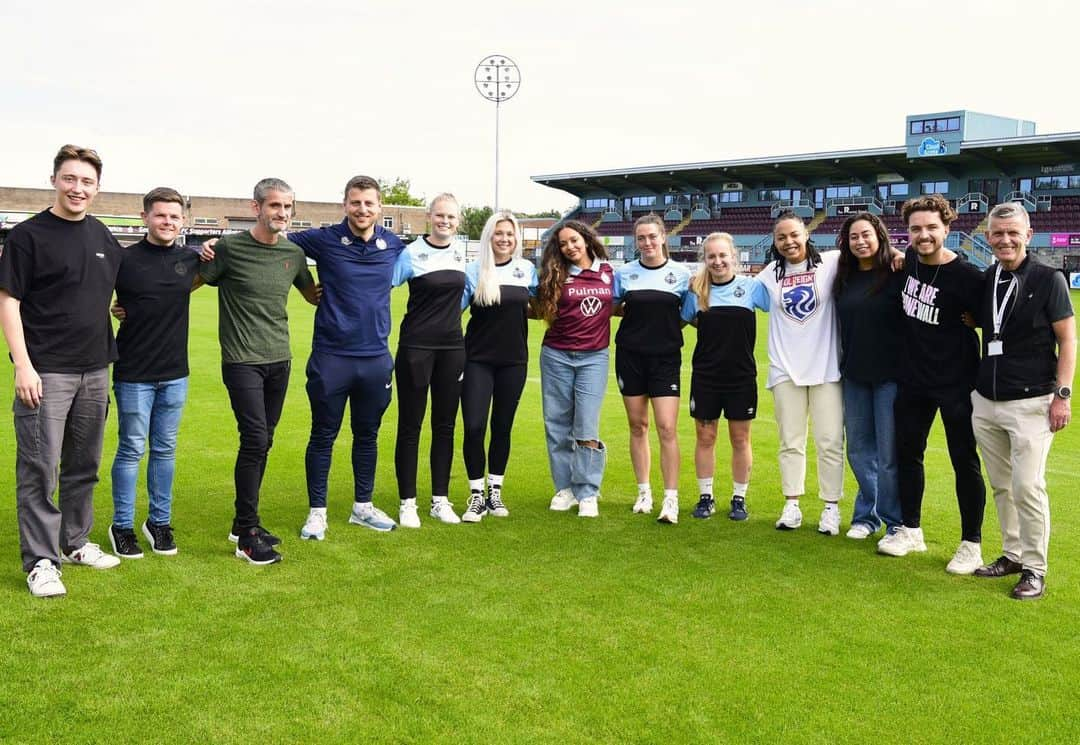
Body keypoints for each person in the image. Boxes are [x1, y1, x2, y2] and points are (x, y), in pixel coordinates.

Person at [0, 144, 122, 598]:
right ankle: (41, 561)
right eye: (70, 178)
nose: (78, 188)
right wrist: (23, 365)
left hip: (95, 369)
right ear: (54, 180)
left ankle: (74, 542)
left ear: (97, 188)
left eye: (87, 181)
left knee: (84, 465)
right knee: (39, 466)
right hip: (45, 371)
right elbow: (8, 300)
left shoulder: (104, 237)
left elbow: (101, 293)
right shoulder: (27, 237)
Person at [199, 178, 318, 565]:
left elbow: (313, 296)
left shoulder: (292, 253)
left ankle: (241, 521)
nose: (281, 213)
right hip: (242, 360)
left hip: (279, 360)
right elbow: (188, 281)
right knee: (254, 439)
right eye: (274, 206)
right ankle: (247, 535)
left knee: (263, 440)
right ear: (256, 208)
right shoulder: (229, 248)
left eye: (287, 207)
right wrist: (135, 305)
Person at [289, 176, 404, 539]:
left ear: (380, 208)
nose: (362, 210)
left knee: (367, 435)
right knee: (323, 434)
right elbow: (276, 246)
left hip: (375, 358)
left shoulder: (394, 244)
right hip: (331, 356)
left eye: (369, 203)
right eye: (355, 203)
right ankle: (317, 513)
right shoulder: (323, 239)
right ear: (345, 205)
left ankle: (362, 507)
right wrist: (306, 288)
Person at [877, 194, 987, 575]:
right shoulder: (906, 261)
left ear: (947, 229)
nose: (923, 235)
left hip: (957, 384)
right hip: (913, 382)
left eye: (931, 228)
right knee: (909, 456)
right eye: (916, 229)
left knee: (964, 462)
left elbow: (991, 324)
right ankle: (911, 530)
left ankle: (971, 544)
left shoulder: (970, 277)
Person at [970, 202, 1075, 600]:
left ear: (1028, 236)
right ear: (988, 237)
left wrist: (1062, 396)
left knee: (1027, 485)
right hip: (987, 401)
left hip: (1033, 402)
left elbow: (1068, 340)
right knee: (1001, 485)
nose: (1005, 240)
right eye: (998, 234)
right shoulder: (987, 279)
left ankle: (1035, 568)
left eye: (1013, 233)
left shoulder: (1049, 279)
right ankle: (1012, 555)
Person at [108, 187, 201, 559]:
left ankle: (158, 523)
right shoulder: (122, 260)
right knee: (131, 448)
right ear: (145, 217)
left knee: (165, 449)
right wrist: (119, 309)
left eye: (174, 217)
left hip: (175, 372)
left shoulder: (193, 260)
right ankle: (122, 526)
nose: (167, 222)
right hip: (133, 373)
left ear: (183, 221)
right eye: (160, 215)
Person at [755, 211, 845, 534]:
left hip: (825, 367)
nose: (789, 242)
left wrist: (900, 258)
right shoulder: (768, 275)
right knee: (790, 441)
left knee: (830, 441)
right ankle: (791, 505)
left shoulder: (831, 262)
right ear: (775, 243)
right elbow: (737, 296)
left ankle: (830, 508)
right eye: (781, 237)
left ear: (806, 233)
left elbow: (873, 256)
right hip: (784, 369)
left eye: (794, 234)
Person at [391, 193, 468, 527]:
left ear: (458, 220)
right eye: (440, 216)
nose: (445, 222)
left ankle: (440, 500)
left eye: (451, 217)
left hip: (452, 349)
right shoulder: (410, 254)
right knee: (410, 426)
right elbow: (382, 286)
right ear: (429, 217)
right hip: (415, 348)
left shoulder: (461, 253)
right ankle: (408, 502)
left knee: (445, 426)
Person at [680, 232, 769, 521]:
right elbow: (681, 322)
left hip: (741, 377)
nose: (718, 261)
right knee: (705, 437)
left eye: (723, 255)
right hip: (706, 377)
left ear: (734, 256)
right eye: (711, 256)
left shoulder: (752, 288)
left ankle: (738, 498)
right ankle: (706, 497)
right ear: (704, 260)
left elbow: (780, 307)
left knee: (740, 438)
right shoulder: (697, 292)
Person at [459, 211, 538, 522]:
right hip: (477, 359)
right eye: (499, 233)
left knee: (502, 427)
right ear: (489, 237)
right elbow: (454, 312)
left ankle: (495, 492)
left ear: (516, 238)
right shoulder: (473, 271)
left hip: (514, 361)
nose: (504, 239)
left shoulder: (526, 270)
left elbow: (538, 307)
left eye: (510, 234)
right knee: (475, 426)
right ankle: (476, 496)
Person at [832, 212, 905, 542]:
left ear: (880, 236)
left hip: (891, 376)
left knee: (889, 454)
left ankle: (895, 523)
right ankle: (866, 516)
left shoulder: (897, 272)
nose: (860, 241)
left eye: (866, 235)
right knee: (859, 451)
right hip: (855, 375)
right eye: (853, 237)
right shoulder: (843, 277)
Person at [614, 215, 690, 523]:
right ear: (636, 241)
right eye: (641, 238)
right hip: (630, 357)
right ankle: (644, 492)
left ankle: (670, 498)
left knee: (667, 428)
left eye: (652, 237)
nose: (647, 243)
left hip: (666, 359)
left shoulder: (681, 274)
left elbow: (686, 314)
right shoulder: (624, 274)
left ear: (663, 238)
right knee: (638, 426)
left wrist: (665, 332)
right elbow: (615, 307)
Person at [536, 220, 614, 518]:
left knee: (586, 425)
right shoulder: (555, 274)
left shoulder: (608, 271)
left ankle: (588, 490)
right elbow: (536, 306)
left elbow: (619, 304)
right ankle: (565, 488)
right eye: (563, 244)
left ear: (585, 238)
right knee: (557, 424)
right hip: (556, 355)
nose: (569, 247)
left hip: (593, 357)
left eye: (574, 240)